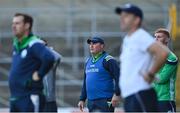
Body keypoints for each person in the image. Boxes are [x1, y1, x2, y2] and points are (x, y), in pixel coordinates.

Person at [115, 4, 169, 112]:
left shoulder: (140, 36)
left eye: (126, 16)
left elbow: (163, 53)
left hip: (140, 93)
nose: (122, 18)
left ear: (136, 20)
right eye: (121, 16)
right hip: (131, 95)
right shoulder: (127, 39)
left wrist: (150, 74)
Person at [9, 13, 55, 112]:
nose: (13, 26)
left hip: (29, 97)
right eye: (13, 23)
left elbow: (50, 57)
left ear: (27, 25)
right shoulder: (17, 44)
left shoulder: (34, 43)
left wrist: (39, 74)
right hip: (15, 97)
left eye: (17, 23)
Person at [78, 37, 120, 112]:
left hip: (105, 100)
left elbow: (119, 77)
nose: (91, 45)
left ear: (102, 46)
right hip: (91, 101)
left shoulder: (108, 60)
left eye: (94, 43)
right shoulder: (88, 61)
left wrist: (117, 94)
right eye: (90, 44)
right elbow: (85, 82)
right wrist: (82, 99)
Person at [153, 28, 178, 112]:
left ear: (167, 39)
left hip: (166, 99)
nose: (156, 39)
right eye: (155, 37)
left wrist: (148, 76)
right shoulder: (153, 56)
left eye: (159, 37)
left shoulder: (172, 58)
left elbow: (162, 78)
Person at [42, 40, 61, 112]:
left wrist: (48, 50)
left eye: (44, 46)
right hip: (38, 101)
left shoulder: (51, 66)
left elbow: (58, 57)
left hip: (50, 102)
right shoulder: (33, 64)